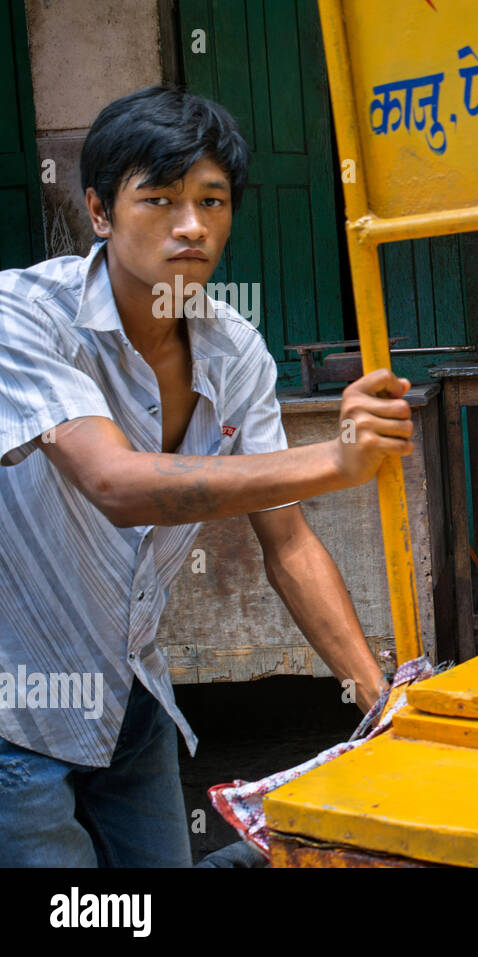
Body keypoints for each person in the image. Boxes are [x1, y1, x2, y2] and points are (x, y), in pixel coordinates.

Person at [0, 86, 414, 866]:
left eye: (212, 200)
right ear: (99, 211)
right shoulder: (23, 316)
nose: (190, 225)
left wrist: (378, 697)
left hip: (132, 703)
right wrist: (335, 458)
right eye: (157, 199)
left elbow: (288, 543)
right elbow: (115, 484)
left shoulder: (233, 350)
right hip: (15, 714)